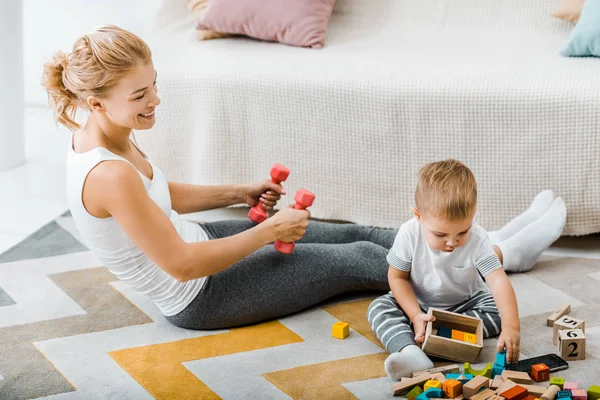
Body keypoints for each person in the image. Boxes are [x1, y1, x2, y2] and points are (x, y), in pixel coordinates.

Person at [41, 25, 566, 333]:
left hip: (197, 246)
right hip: (199, 295)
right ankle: (500, 257)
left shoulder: (108, 132)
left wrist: (237, 192)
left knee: (350, 230)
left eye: (154, 84)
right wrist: (270, 231)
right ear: (95, 102)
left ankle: (486, 242)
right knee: (363, 260)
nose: (155, 100)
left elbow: (157, 194)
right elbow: (180, 266)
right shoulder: (107, 174)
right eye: (140, 96)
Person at [367, 159, 566, 379]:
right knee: (379, 307)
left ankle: (438, 335)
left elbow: (498, 280)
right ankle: (411, 352)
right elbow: (397, 277)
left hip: (465, 304)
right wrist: (414, 315)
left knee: (497, 311)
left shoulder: (479, 238)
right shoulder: (408, 234)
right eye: (441, 235)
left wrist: (512, 326)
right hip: (419, 304)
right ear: (418, 216)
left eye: (462, 232)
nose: (452, 243)